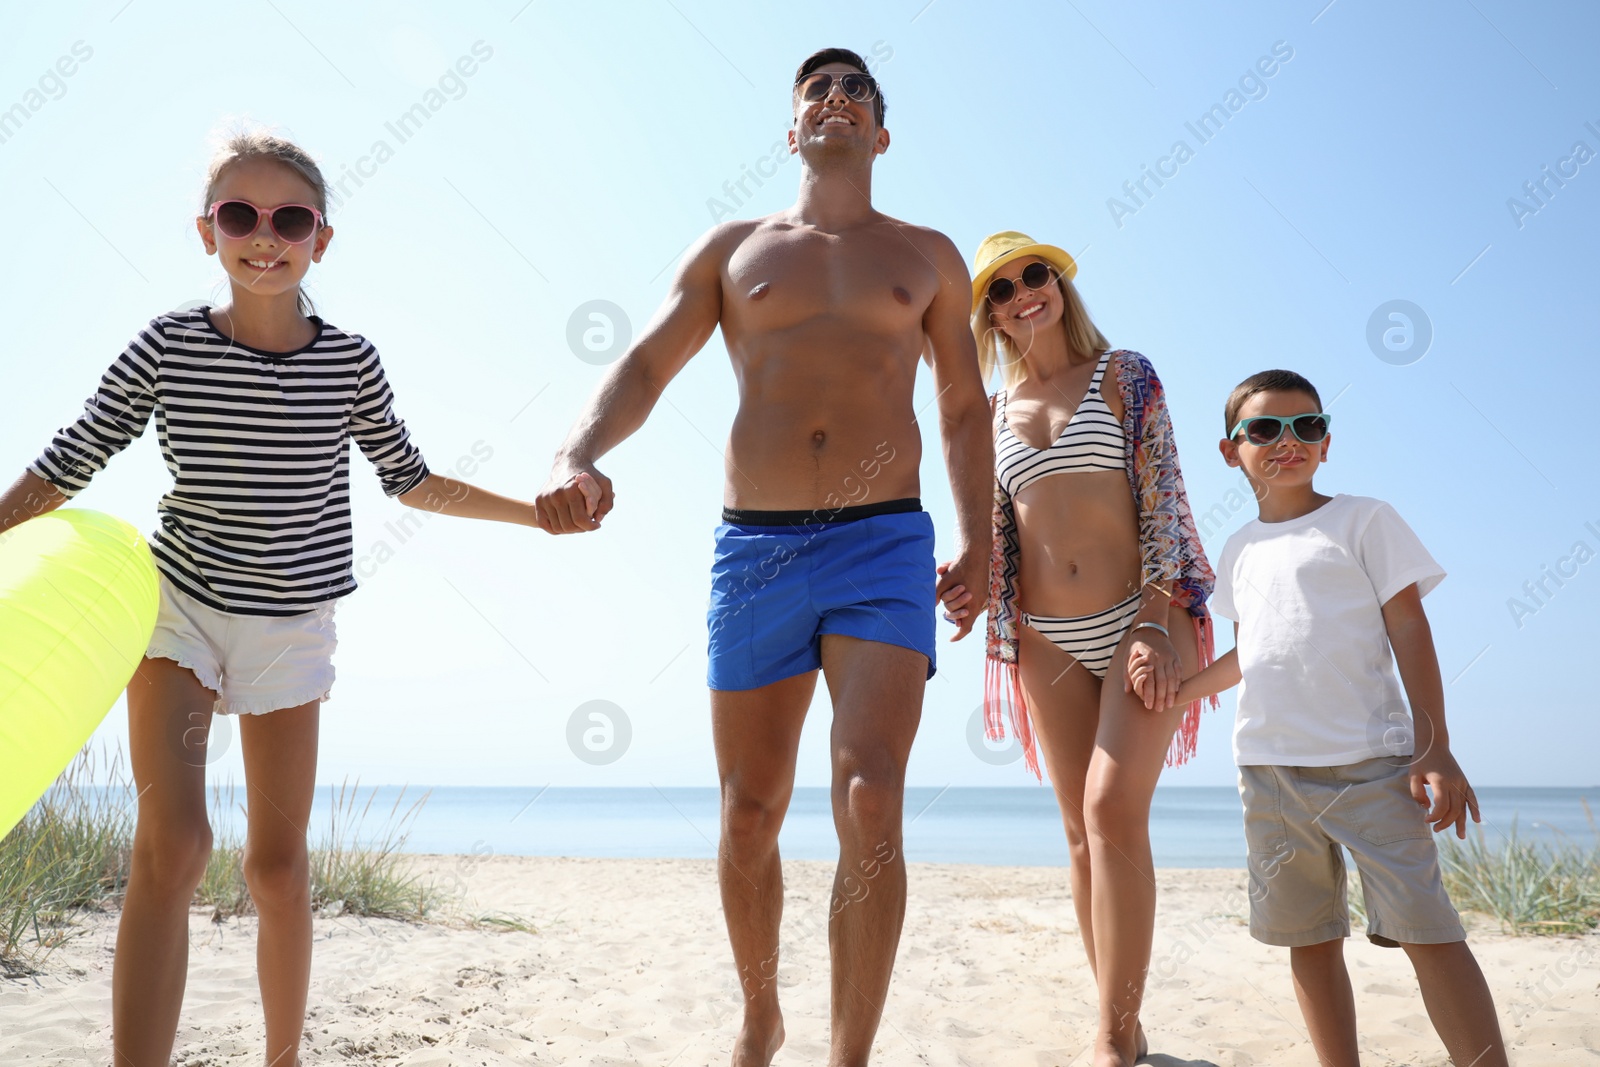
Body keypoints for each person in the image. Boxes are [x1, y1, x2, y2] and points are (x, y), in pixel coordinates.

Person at [0, 129, 562, 1067]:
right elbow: (71, 456)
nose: (265, 235)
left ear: (321, 240)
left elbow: (412, 480)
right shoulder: (169, 344)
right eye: (240, 215)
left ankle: (283, 1057)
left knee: (275, 864)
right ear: (206, 231)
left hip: (291, 623)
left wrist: (534, 517)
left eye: (290, 218)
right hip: (180, 607)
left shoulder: (348, 362)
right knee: (173, 844)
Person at [535, 48, 992, 1067]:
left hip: (884, 538)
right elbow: (649, 360)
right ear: (793, 132)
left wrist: (979, 536)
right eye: (816, 92)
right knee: (748, 812)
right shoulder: (735, 248)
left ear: (880, 134)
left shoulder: (927, 255)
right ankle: (760, 1010)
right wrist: (577, 450)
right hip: (758, 548)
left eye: (856, 93)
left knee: (871, 792)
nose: (836, 99)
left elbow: (963, 403)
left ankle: (848, 1053)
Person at [1165, 369, 1508, 1066]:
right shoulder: (1239, 549)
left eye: (1307, 426)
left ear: (1326, 443)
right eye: (1264, 428)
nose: (1287, 441)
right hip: (1268, 775)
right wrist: (1182, 691)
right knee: (1309, 938)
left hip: (1373, 767)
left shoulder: (1363, 519)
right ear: (1231, 451)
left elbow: (1410, 627)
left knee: (1429, 931)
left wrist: (1433, 747)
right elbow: (1251, 652)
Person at [972, 231, 1216, 1066]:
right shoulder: (993, 413)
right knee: (1080, 831)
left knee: (1114, 810)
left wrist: (1153, 620)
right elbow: (996, 534)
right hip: (1045, 634)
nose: (1021, 295)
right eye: (1000, 291)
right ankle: (1126, 1022)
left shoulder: (1126, 375)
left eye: (1033, 275)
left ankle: (1110, 1040)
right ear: (990, 317)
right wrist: (965, 576)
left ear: (1061, 284)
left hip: (1140, 615)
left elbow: (1164, 499)